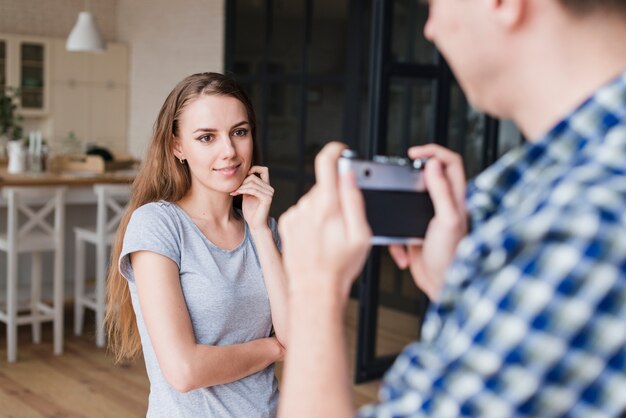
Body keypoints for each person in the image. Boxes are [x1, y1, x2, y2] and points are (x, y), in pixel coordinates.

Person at [277, 1, 626, 417]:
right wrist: (460, 285)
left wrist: (316, 286)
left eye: (434, 5)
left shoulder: (584, 222)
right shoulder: (549, 177)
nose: (429, 29)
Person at [104, 72, 288, 417]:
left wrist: (260, 230)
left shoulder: (267, 230)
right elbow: (184, 371)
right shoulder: (158, 225)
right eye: (207, 137)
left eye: (239, 132)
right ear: (177, 146)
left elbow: (297, 337)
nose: (229, 151)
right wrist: (273, 349)